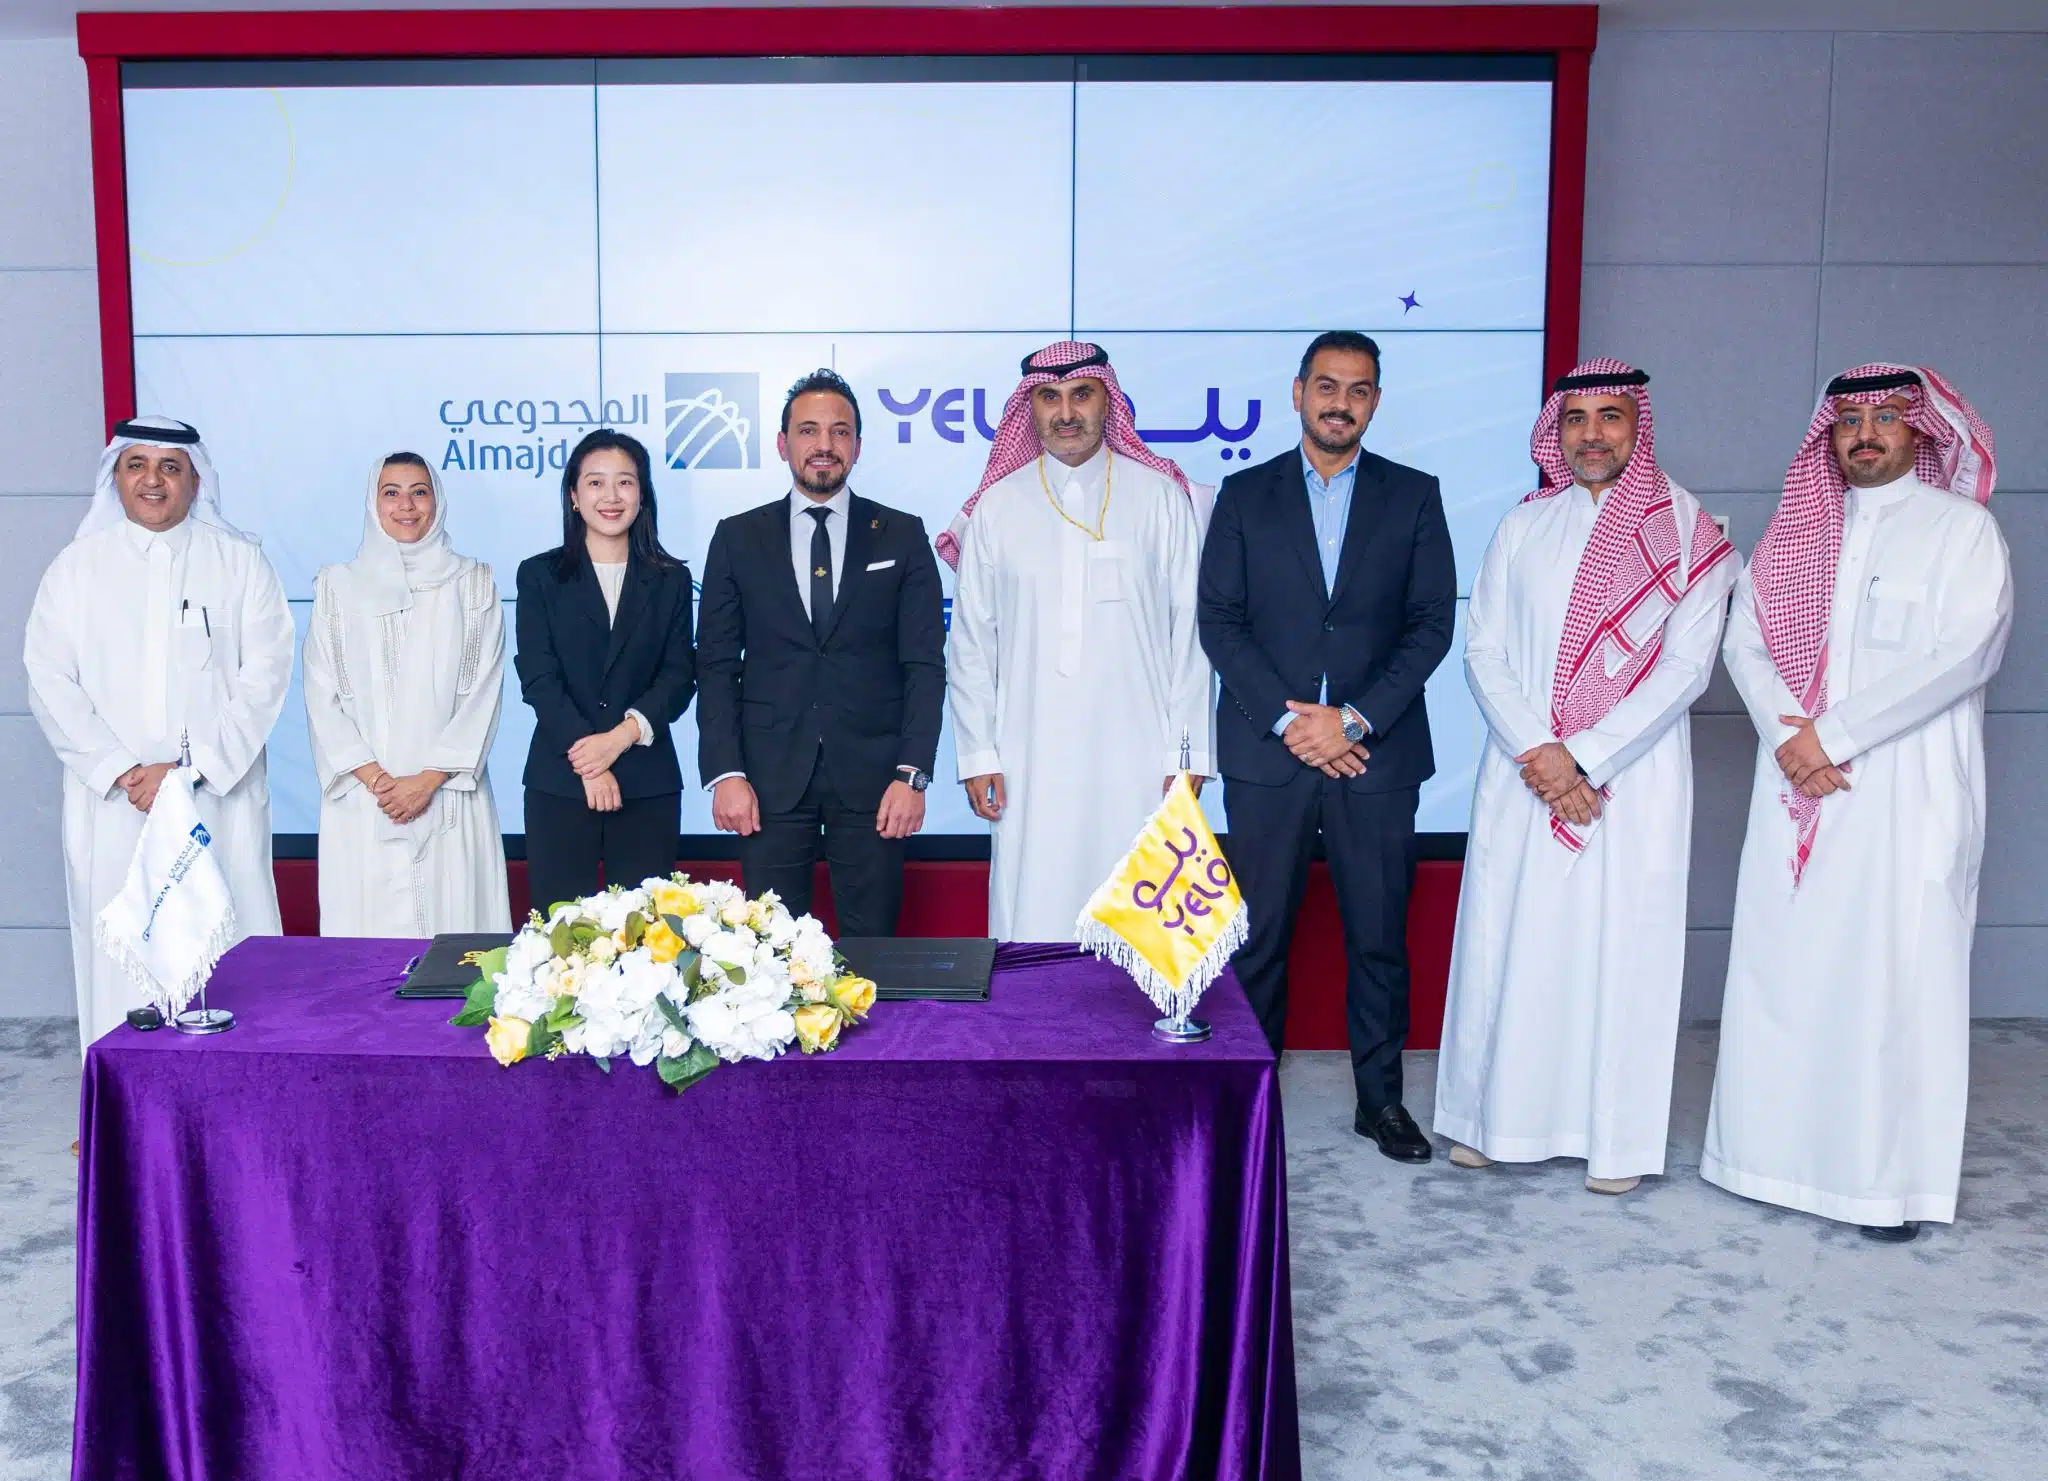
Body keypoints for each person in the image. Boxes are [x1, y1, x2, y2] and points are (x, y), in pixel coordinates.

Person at [1704, 363, 2010, 1243]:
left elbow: (1968, 651)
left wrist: (1830, 737)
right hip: (1796, 781)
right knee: (1784, 971)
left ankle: (1884, 1189)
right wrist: (1791, 734)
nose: (1865, 434)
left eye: (1885, 418)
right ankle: (1765, 1161)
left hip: (1905, 792)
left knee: (1892, 983)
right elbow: (1746, 641)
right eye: (1849, 421)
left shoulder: (1962, 530)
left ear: (1921, 430)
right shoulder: (1796, 534)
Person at [1433, 360, 1737, 1194]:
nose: (1592, 434)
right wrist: (1544, 750)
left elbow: (1686, 669)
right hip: (1525, 772)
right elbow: (1484, 650)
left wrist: (1587, 756)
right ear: (1556, 432)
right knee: (1511, 941)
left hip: (1632, 779)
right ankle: (1494, 1121)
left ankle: (1615, 1142)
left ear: (1639, 426)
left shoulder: (1690, 534)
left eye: (1610, 416)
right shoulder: (1523, 524)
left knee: (1619, 949)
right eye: (1576, 419)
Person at [1197, 332, 1455, 1163]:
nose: (1341, 402)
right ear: (1299, 391)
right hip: (1268, 755)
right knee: (1258, 939)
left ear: (1375, 401)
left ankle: (1381, 1103)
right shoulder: (1244, 495)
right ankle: (1250, 1104)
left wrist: (1351, 720)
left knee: (1377, 936)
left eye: (1359, 389)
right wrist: (1293, 723)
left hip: (1375, 755)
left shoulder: (1414, 495)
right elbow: (1220, 622)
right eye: (1327, 385)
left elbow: (1430, 626)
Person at [24, 416, 294, 1051]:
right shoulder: (76, 568)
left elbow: (266, 677)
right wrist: (122, 769)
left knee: (229, 954)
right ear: (115, 478)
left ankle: (239, 1100)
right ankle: (121, 1101)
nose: (153, 480)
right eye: (136, 465)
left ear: (196, 481)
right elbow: (49, 677)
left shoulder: (241, 564)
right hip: (115, 805)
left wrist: (190, 770)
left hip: (212, 799)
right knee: (120, 957)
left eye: (170, 467)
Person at [941, 341, 1214, 942]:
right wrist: (978, 756)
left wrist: (1187, 757)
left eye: (1081, 394)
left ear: (1106, 400)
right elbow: (971, 647)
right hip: (1027, 759)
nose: (1065, 412)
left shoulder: (1161, 497)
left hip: (1141, 761)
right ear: (1030, 409)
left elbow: (1191, 640)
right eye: (1049, 397)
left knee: (1141, 930)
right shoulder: (997, 507)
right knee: (1034, 917)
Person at [697, 370, 946, 934]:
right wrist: (725, 772)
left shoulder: (902, 534)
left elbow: (925, 667)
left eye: (840, 431)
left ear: (857, 445)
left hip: (877, 781)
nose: (824, 444)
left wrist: (912, 775)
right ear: (782, 443)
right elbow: (714, 667)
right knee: (768, 952)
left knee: (873, 949)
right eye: (808, 430)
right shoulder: (737, 537)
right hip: (767, 779)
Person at [303, 454, 513, 937]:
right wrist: (379, 781)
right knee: (367, 945)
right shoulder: (336, 585)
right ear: (372, 502)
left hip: (449, 797)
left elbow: (484, 691)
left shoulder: (473, 582)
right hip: (364, 800)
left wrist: (427, 781)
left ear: (437, 501)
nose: (406, 506)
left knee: (456, 939)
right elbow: (320, 692)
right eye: (391, 493)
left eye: (419, 492)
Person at [514, 430, 696, 910]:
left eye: (625, 482)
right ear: (574, 496)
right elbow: (538, 677)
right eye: (595, 483)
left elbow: (679, 676)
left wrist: (617, 740)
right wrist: (589, 762)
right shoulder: (539, 575)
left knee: (647, 934)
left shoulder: (672, 579)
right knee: (559, 934)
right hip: (559, 781)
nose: (611, 496)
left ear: (643, 495)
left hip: (647, 783)